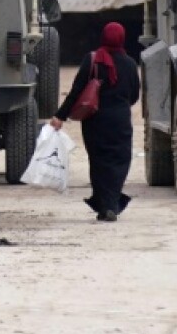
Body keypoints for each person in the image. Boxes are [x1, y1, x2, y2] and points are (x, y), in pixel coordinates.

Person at [50, 22, 141, 222]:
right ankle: (110, 204)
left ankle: (105, 205)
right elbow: (134, 95)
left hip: (95, 121)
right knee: (119, 161)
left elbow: (76, 91)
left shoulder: (92, 60)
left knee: (99, 162)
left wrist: (60, 116)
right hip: (120, 122)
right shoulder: (130, 64)